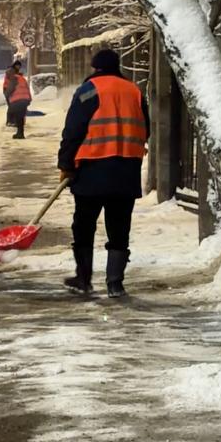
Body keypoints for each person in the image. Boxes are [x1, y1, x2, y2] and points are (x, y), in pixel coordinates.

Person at [57, 48, 150, 298]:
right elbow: (146, 129)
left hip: (92, 168)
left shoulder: (88, 90)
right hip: (127, 170)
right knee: (119, 227)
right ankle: (115, 283)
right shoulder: (134, 91)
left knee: (84, 226)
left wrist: (65, 165)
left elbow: (74, 130)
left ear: (95, 67)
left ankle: (84, 278)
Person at [2, 58, 32, 140]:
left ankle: (19, 132)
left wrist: (7, 95)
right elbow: (27, 88)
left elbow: (10, 89)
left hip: (18, 99)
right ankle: (20, 133)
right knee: (21, 116)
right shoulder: (21, 77)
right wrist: (29, 99)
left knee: (18, 115)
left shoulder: (13, 78)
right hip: (25, 99)